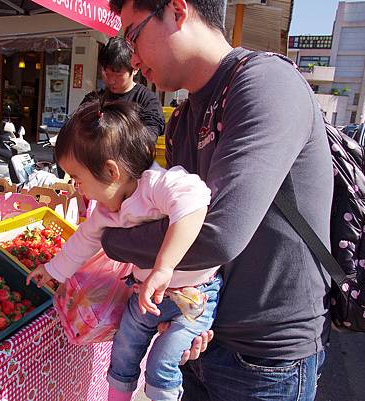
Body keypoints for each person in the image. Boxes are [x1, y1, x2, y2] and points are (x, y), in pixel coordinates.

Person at [100, 0, 333, 400]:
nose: (133, 58)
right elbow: (177, 231)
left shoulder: (265, 84)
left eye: (134, 35)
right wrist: (189, 313)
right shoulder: (182, 121)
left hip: (267, 356)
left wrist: (107, 238)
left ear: (176, 10)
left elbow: (216, 235)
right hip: (203, 332)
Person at [26, 100, 221, 401]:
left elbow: (194, 204)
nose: (75, 187)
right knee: (123, 352)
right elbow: (84, 239)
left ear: (110, 170)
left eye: (78, 179)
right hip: (145, 294)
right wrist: (52, 270)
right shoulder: (106, 211)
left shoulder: (158, 184)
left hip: (193, 297)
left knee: (161, 364)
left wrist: (164, 267)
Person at [83, 36, 165, 139]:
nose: (111, 81)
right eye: (106, 73)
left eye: (118, 74)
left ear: (135, 69)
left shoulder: (147, 100)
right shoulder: (94, 99)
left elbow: (150, 137)